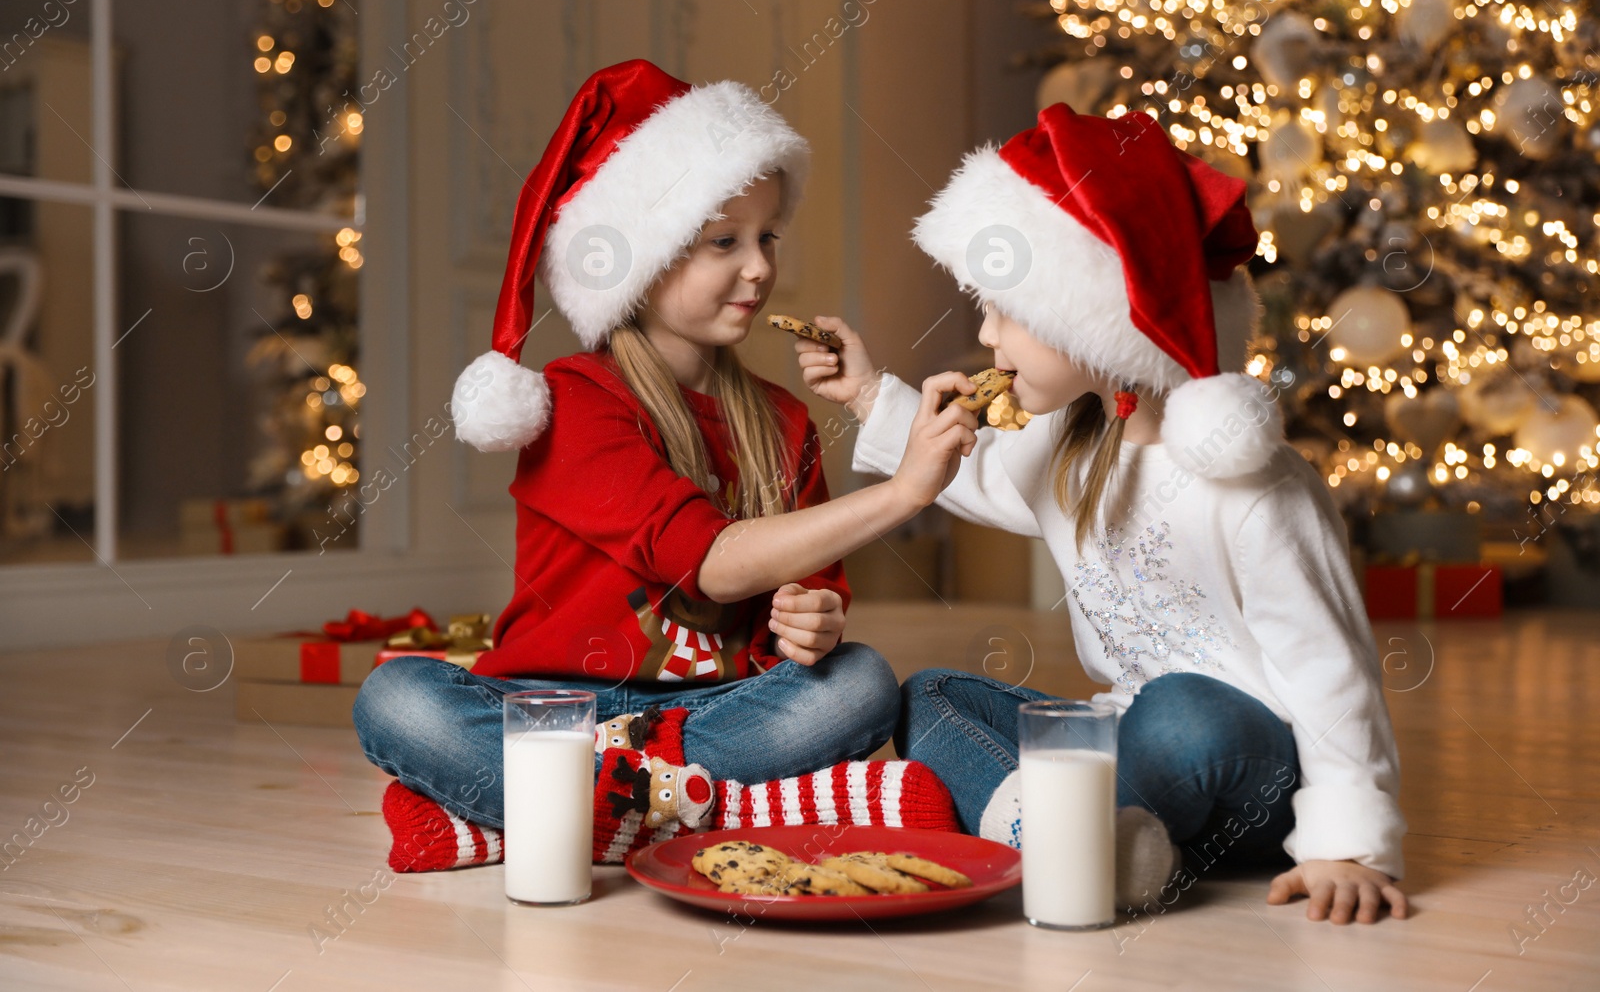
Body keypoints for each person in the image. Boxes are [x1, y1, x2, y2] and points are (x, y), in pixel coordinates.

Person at [793, 103, 1410, 923]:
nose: (985, 331)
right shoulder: (1068, 440)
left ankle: (1054, 832)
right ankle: (1081, 837)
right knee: (929, 694)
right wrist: (872, 393)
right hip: (1121, 736)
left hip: (1252, 767)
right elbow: (967, 473)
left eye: (1006, 310)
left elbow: (1332, 669)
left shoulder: (1255, 486)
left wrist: (1348, 844)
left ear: (1091, 317)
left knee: (1185, 712)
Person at [352, 60, 972, 873]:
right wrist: (904, 492)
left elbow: (811, 602)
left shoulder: (785, 422)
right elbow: (711, 565)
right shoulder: (574, 400)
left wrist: (813, 622)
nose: (758, 267)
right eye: (724, 241)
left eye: (766, 237)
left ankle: (536, 817)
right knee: (396, 698)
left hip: (711, 712)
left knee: (859, 682)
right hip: (551, 712)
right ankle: (740, 810)